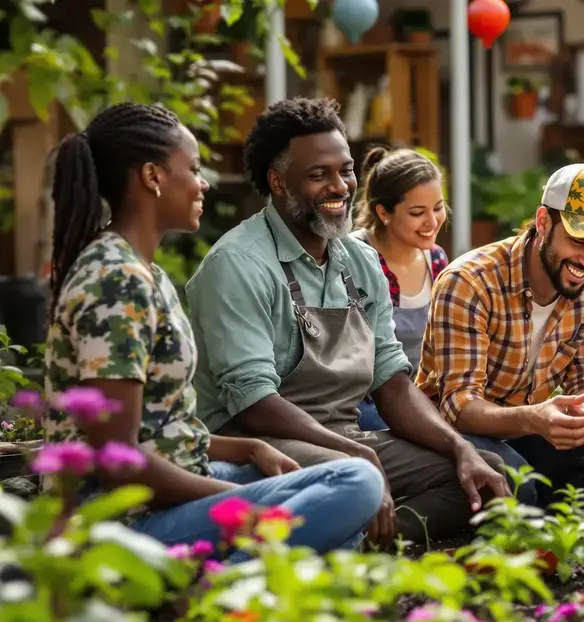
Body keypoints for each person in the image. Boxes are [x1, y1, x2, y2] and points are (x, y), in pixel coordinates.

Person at [42, 102, 381, 558]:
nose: (204, 183)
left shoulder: (145, 273)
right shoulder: (115, 281)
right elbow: (118, 462)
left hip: (174, 485)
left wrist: (249, 450)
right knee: (351, 486)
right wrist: (229, 505)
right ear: (152, 177)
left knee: (340, 492)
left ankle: (238, 574)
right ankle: (213, 592)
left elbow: (161, 429)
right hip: (120, 520)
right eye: (194, 168)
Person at [184, 97, 509, 549]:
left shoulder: (358, 260)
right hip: (258, 441)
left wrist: (460, 448)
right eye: (319, 175)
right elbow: (253, 401)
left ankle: (363, 538)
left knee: (489, 474)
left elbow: (392, 381)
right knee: (355, 479)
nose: (340, 187)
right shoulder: (238, 265)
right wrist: (355, 453)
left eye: (346, 170)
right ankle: (349, 532)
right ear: (278, 183)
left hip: (347, 438)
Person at [415, 162, 584, 507]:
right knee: (513, 480)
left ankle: (530, 506)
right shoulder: (469, 282)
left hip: (531, 430)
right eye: (579, 241)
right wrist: (533, 419)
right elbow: (458, 407)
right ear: (542, 223)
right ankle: (525, 502)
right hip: (459, 437)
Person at [348, 146, 450, 431]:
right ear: (383, 212)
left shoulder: (437, 259)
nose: (432, 222)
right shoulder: (355, 256)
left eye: (438, 208)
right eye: (418, 212)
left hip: (423, 399)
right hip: (367, 404)